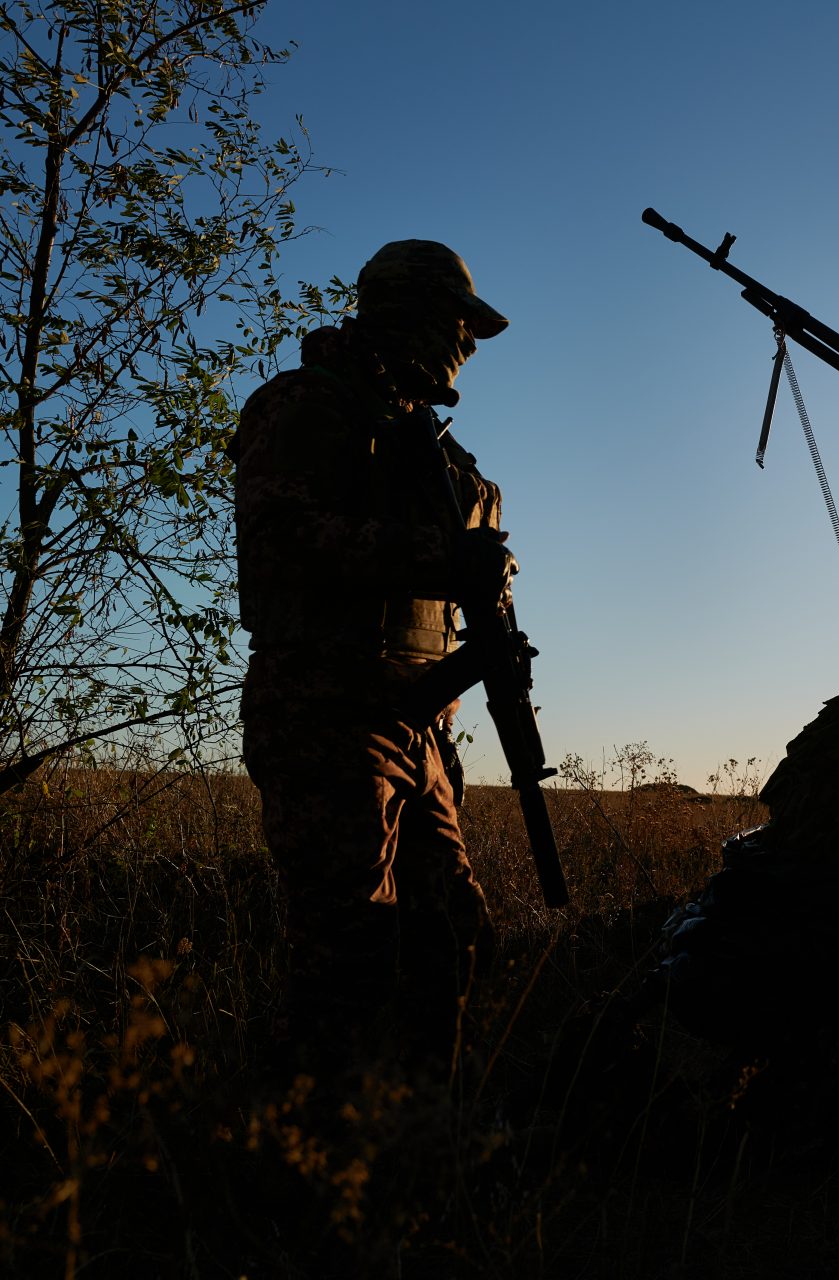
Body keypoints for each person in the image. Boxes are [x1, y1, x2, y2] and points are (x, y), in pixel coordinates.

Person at [231, 240, 518, 1075]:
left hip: (416, 719)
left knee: (451, 935)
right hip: (327, 712)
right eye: (458, 325)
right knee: (346, 955)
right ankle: (297, 1166)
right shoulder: (307, 406)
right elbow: (280, 539)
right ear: (413, 315)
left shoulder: (430, 445)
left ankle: (415, 1146)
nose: (466, 344)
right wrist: (437, 557)